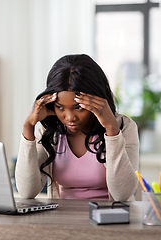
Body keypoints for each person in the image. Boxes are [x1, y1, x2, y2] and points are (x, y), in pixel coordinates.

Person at [15, 54, 139, 201]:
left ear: (97, 100)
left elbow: (122, 194)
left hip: (110, 220)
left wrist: (111, 130)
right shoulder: (50, 131)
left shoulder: (124, 127)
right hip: (65, 221)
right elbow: (27, 191)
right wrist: (28, 127)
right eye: (60, 107)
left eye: (78, 107)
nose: (69, 117)